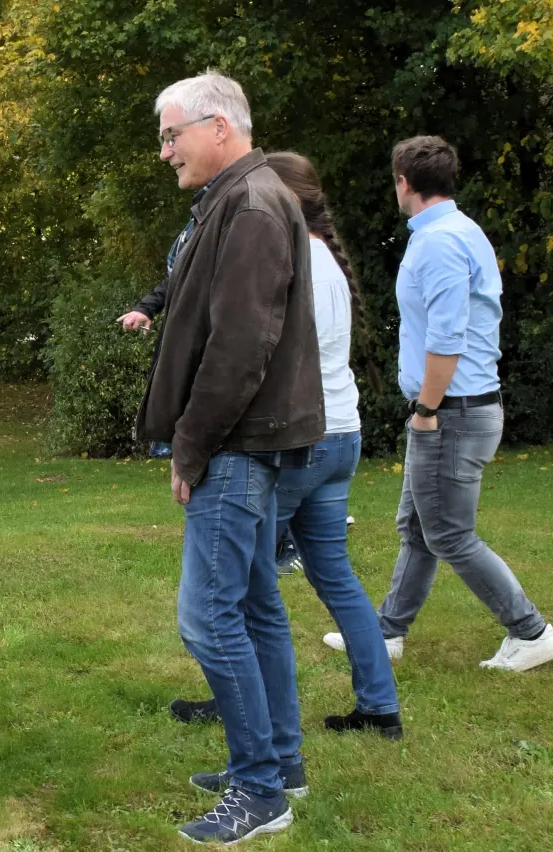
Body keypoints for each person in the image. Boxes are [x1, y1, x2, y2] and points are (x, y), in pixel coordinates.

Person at [134, 71, 325, 845]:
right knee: (253, 606)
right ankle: (281, 761)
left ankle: (260, 790)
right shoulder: (240, 199)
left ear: (219, 127)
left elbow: (242, 346)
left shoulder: (249, 205)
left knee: (208, 619)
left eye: (171, 134)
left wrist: (191, 444)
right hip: (249, 442)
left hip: (237, 446)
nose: (164, 151)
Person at [169, 152, 404, 741]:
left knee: (247, 589)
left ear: (290, 200)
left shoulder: (294, 256)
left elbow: (263, 354)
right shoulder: (327, 259)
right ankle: (379, 705)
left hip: (304, 438)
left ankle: (246, 710)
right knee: (334, 577)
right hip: (344, 433)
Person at [324, 137, 553, 672]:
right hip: (453, 409)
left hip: (452, 411)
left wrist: (427, 409)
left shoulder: (439, 243)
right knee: (418, 527)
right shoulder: (459, 231)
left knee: (449, 533)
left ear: (404, 182)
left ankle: (530, 631)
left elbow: (447, 337)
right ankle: (386, 631)